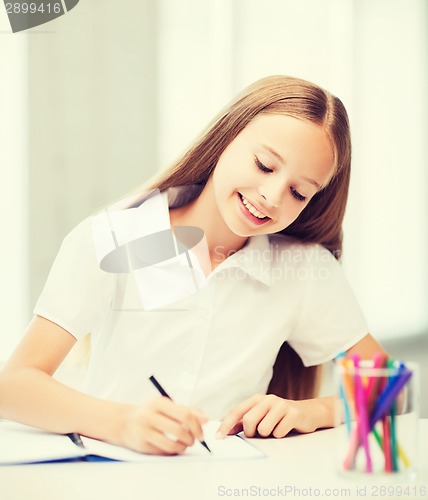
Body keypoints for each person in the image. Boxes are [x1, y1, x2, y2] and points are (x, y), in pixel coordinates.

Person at [0, 75, 387, 456]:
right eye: (265, 166)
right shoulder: (112, 239)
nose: (271, 197)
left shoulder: (303, 270)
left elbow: (390, 386)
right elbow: (13, 386)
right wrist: (124, 424)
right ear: (226, 138)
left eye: (299, 192)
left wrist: (313, 410)